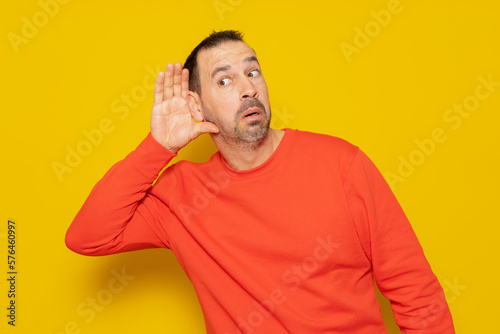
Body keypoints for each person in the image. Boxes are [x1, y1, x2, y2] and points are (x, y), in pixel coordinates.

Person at [65, 30, 455, 333]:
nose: (248, 87)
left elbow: (416, 293)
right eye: (224, 81)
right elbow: (88, 236)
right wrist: (158, 146)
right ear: (196, 106)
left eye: (253, 72)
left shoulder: (342, 164)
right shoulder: (181, 197)